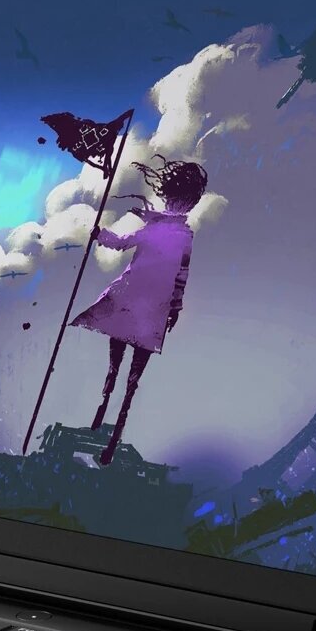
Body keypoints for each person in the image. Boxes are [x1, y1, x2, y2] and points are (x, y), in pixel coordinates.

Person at [71, 155, 208, 465]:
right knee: (128, 378)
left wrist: (99, 234)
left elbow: (122, 243)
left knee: (122, 371)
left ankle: (106, 417)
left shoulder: (162, 231)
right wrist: (175, 307)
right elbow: (180, 275)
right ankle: (108, 422)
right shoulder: (178, 234)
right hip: (148, 307)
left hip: (138, 304)